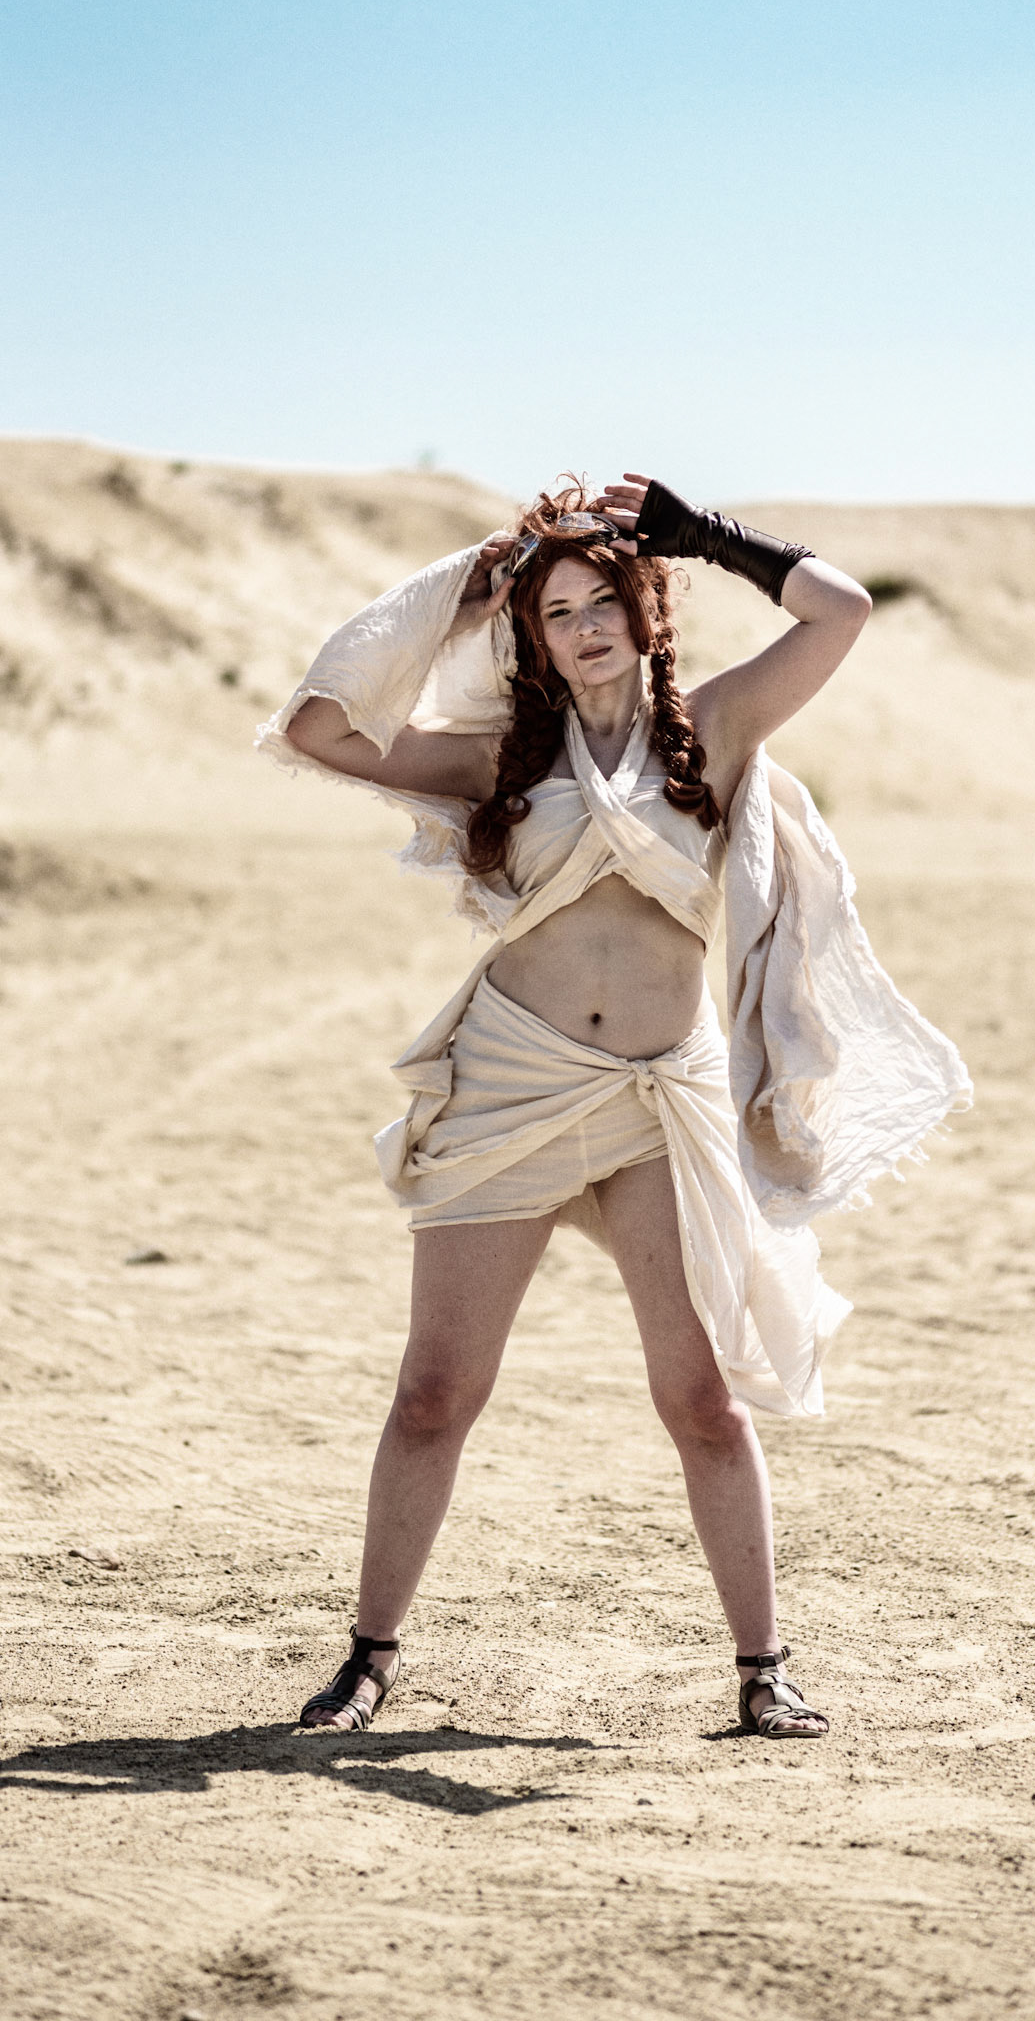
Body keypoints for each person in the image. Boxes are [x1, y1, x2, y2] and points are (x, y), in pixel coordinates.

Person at [257, 473, 970, 1739]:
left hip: (659, 1099)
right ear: (529, 638)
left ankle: (763, 1668)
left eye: (603, 603)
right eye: (555, 613)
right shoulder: (497, 758)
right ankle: (367, 1658)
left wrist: (713, 538)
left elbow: (843, 610)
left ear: (645, 613)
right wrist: (464, 589)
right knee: (435, 1392)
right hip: (509, 1085)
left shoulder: (718, 725)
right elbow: (320, 728)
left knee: (699, 1396)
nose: (583, 628)